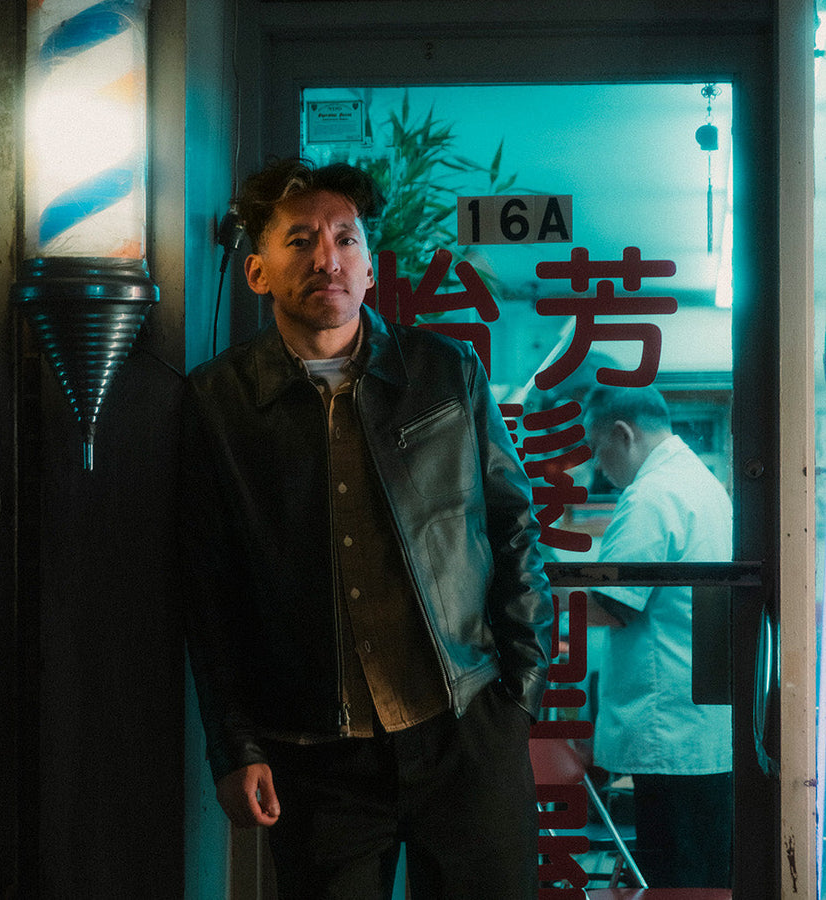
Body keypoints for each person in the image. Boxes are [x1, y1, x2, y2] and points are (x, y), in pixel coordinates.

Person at [180, 158, 554, 899]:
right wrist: (235, 746)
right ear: (256, 272)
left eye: (346, 239)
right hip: (315, 752)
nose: (328, 259)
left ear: (371, 266)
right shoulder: (220, 402)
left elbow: (513, 527)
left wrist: (522, 691)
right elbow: (209, 587)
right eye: (300, 241)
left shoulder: (445, 371)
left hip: (465, 723)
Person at [580, 384, 733, 888]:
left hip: (668, 726)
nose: (598, 465)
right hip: (700, 726)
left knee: (672, 879)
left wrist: (522, 601)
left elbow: (613, 605)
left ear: (623, 435)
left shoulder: (651, 495)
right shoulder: (700, 483)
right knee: (702, 877)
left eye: (596, 447)